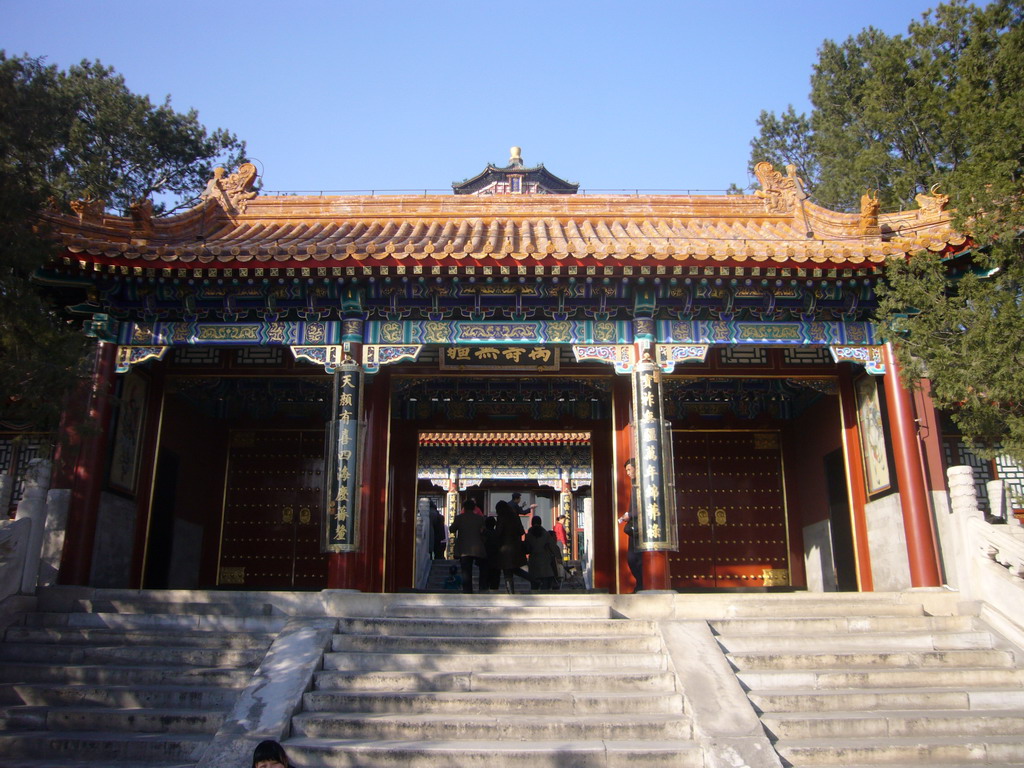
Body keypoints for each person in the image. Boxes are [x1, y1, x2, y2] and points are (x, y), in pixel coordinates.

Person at [448, 499, 488, 593]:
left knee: (466, 571)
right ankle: (482, 588)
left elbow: (452, 529)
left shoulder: (459, 518)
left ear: (464, 508)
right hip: (478, 548)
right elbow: (484, 532)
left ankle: (467, 591)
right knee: (483, 569)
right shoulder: (480, 518)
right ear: (474, 508)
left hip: (464, 549)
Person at [494, 499, 528, 594]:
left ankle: (510, 592)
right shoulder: (515, 517)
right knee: (514, 568)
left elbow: (498, 532)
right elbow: (522, 531)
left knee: (507, 570)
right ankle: (534, 580)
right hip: (516, 546)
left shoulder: (501, 518)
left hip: (505, 548)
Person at [621, 458, 644, 592]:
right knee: (632, 559)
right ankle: (640, 584)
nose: (628, 473)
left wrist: (630, 515)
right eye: (627, 470)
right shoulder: (635, 484)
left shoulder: (642, 484)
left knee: (636, 559)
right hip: (634, 527)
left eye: (630, 469)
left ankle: (641, 585)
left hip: (640, 527)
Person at [523, 515, 562, 591]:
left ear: (531, 523)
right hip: (545, 562)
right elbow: (554, 547)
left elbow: (526, 549)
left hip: (533, 562)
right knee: (545, 588)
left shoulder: (528, 535)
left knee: (534, 586)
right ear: (540, 523)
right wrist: (559, 557)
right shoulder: (545, 534)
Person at [482, 515, 501, 591]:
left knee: (484, 579)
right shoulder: (497, 534)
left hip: (485, 559)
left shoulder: (483, 534)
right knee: (495, 580)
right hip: (496, 560)